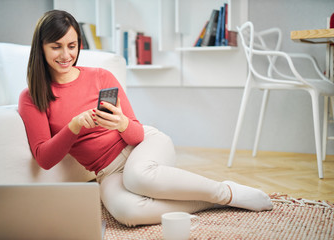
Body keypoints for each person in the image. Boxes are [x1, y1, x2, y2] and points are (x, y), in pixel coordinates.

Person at [18, 10, 273, 227]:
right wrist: (73, 127)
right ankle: (210, 200)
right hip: (106, 171)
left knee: (137, 177)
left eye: (71, 46)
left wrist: (121, 123)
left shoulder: (100, 76)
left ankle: (226, 192)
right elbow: (45, 159)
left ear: (79, 46)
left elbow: (137, 134)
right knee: (129, 213)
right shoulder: (33, 97)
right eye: (56, 47)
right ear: (41, 47)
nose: (65, 55)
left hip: (142, 146)